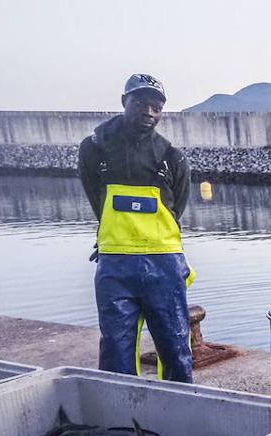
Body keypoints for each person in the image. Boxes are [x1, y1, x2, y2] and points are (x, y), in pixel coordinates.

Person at [78, 73, 194, 382]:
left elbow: (177, 207)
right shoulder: (93, 149)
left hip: (164, 263)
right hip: (115, 263)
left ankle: (181, 413)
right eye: (141, 103)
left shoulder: (172, 157)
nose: (149, 112)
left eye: (157, 107)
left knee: (176, 347)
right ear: (123, 102)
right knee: (116, 350)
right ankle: (119, 424)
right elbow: (96, 200)